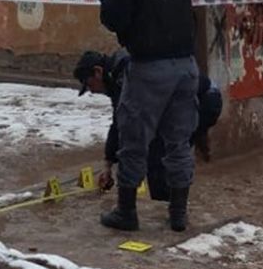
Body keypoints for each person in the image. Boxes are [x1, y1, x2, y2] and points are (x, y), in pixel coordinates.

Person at [90, 0, 199, 232]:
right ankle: (178, 213)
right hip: (187, 66)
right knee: (178, 141)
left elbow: (115, 19)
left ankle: (127, 213)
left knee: (134, 139)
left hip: (150, 68)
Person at [73, 50, 222, 203]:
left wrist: (116, 164)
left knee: (159, 156)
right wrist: (108, 163)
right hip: (196, 97)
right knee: (161, 153)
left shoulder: (125, 74)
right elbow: (119, 121)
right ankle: (172, 205)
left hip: (205, 100)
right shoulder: (118, 76)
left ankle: (167, 207)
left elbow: (125, 124)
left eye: (90, 84)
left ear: (98, 72)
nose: (92, 90)